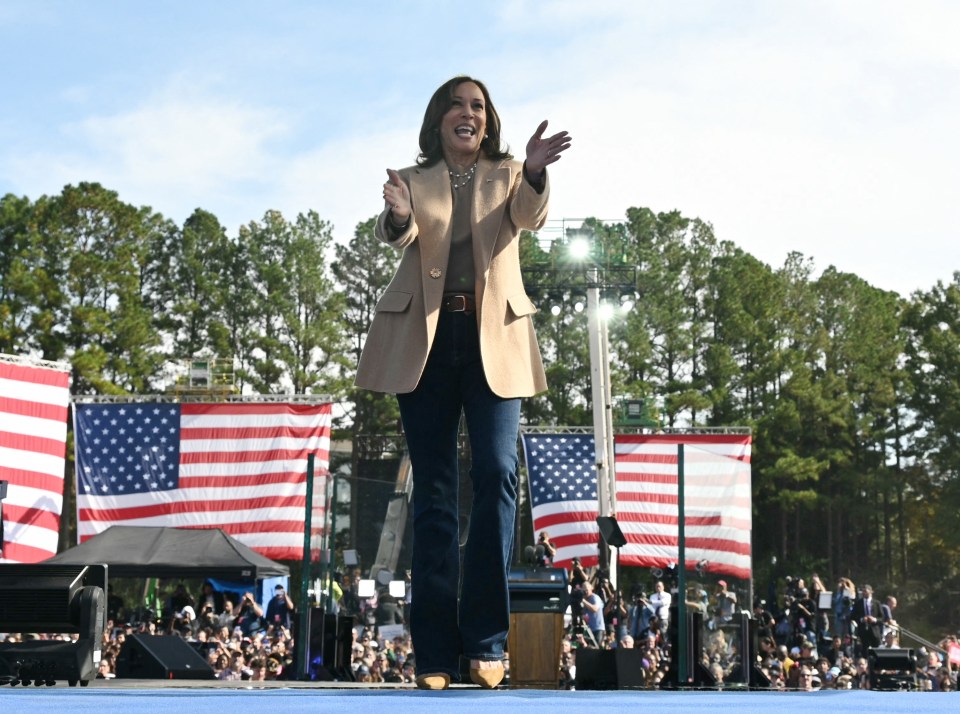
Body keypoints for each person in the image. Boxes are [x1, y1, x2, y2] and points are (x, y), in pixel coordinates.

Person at [354, 75, 571, 691]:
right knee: (435, 495)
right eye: (457, 104)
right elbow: (398, 234)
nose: (468, 113)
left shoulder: (507, 173)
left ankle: (486, 642)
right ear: (439, 119)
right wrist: (397, 215)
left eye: (477, 106)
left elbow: (530, 215)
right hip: (425, 342)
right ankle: (435, 656)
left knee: (499, 476)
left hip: (492, 338)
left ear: (488, 119)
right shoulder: (415, 179)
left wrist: (531, 170)